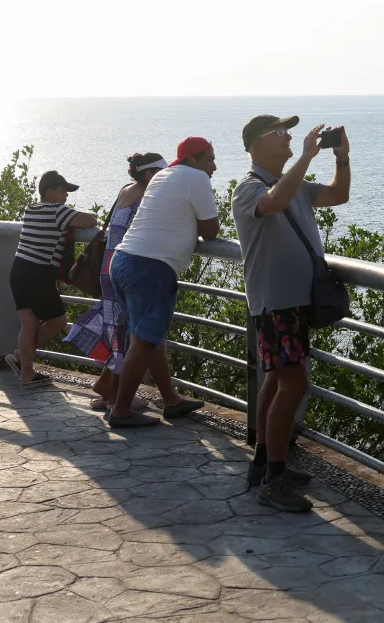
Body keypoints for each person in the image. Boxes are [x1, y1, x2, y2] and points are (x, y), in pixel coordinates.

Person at [231, 115, 351, 512]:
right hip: (275, 301)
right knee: (293, 385)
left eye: (288, 132)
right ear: (255, 145)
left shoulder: (294, 185)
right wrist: (305, 157)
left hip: (293, 300)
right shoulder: (247, 189)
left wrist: (342, 158)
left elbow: (338, 195)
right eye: (278, 133)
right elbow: (275, 202)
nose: (287, 137)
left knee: (276, 383)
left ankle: (264, 463)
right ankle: (275, 480)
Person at [105, 136, 218, 427]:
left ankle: (171, 401)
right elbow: (211, 230)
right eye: (210, 159)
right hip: (151, 266)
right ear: (193, 159)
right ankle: (120, 411)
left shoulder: (162, 176)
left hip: (123, 259)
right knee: (142, 342)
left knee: (149, 339)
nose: (214, 167)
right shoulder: (196, 177)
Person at [64, 153, 167, 412]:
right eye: (161, 172)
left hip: (109, 267)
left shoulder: (126, 191)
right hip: (126, 268)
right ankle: (117, 395)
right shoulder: (146, 197)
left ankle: (108, 387)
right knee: (130, 336)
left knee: (119, 331)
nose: (166, 177)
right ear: (147, 174)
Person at [5, 171, 97, 388]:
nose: (66, 195)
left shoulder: (31, 208)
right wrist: (72, 223)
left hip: (20, 270)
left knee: (28, 321)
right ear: (50, 191)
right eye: (63, 191)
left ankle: (24, 365)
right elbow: (90, 220)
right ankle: (23, 362)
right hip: (38, 273)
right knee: (58, 321)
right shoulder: (57, 212)